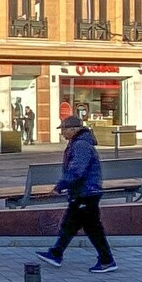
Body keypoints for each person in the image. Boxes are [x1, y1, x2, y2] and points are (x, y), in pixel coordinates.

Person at [37, 115, 116, 273]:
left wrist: (59, 187)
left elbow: (76, 170)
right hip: (84, 192)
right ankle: (56, 253)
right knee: (72, 225)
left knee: (90, 227)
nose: (62, 133)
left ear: (73, 130)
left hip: (85, 192)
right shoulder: (79, 143)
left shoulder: (80, 145)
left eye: (64, 129)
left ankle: (107, 260)